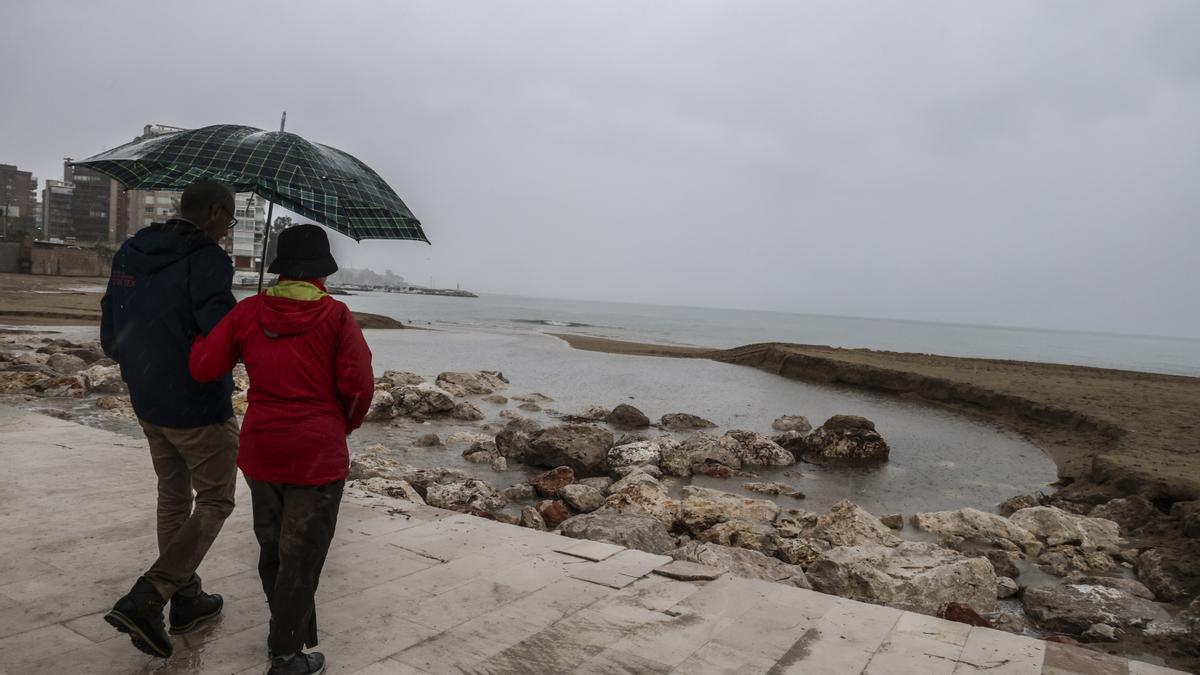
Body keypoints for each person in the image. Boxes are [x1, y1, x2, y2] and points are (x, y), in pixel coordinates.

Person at [190, 224, 374, 675]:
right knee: (303, 556)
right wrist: (340, 424)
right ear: (321, 274)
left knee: (273, 549)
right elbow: (358, 387)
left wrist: (201, 335)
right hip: (317, 453)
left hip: (262, 449)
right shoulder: (337, 317)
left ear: (279, 269)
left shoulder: (249, 311)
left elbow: (204, 366)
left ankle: (286, 635)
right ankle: (287, 656)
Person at [100, 180, 240, 658]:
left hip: (148, 399)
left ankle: (188, 599)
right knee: (218, 499)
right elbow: (221, 338)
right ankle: (151, 594)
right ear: (217, 214)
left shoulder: (131, 251)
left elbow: (110, 330)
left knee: (173, 497)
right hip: (198, 406)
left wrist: (144, 366)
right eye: (232, 219)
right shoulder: (208, 259)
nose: (230, 229)